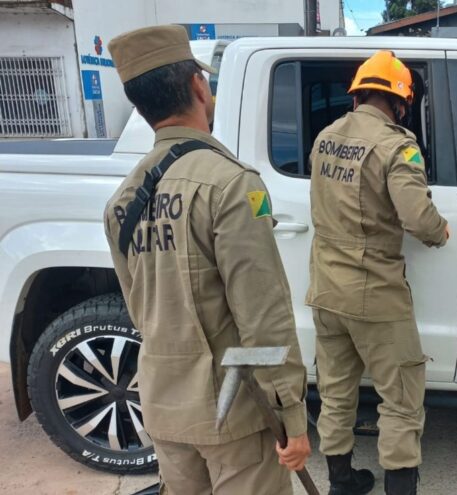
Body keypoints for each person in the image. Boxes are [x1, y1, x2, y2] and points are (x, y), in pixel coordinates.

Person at [104, 25, 310, 495]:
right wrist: (292, 416)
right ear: (199, 86)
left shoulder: (122, 200)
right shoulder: (233, 183)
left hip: (163, 405)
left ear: (141, 105)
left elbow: (140, 309)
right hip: (232, 413)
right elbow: (264, 316)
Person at [306, 51, 450, 495]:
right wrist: (441, 230)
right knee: (402, 399)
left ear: (358, 96)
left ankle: (341, 483)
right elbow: (418, 218)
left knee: (335, 394)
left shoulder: (325, 137)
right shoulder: (398, 146)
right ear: (401, 103)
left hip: (325, 291)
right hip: (374, 294)